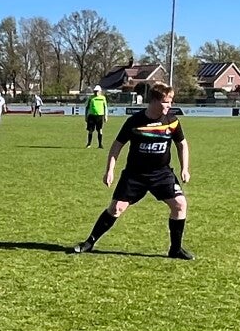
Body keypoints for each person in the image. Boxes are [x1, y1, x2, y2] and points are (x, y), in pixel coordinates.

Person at [73, 79, 191, 259]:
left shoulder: (172, 121)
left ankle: (175, 249)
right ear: (154, 101)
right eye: (167, 101)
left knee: (180, 204)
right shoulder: (135, 121)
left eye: (171, 101)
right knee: (116, 208)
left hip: (162, 173)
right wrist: (110, 170)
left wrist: (185, 168)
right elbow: (117, 145)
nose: (170, 105)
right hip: (135, 175)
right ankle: (89, 242)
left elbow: (182, 144)